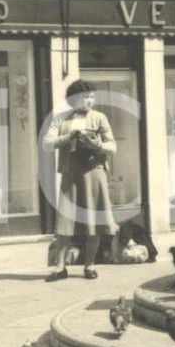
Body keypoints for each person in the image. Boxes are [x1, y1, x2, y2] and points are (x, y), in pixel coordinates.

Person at [43, 79, 118, 281]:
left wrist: (98, 146)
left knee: (93, 220)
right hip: (71, 172)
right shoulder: (61, 118)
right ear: (73, 99)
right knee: (65, 222)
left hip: (94, 171)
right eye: (86, 98)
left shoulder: (99, 117)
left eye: (92, 97)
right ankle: (60, 268)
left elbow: (113, 145)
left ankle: (90, 266)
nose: (90, 101)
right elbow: (47, 144)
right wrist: (70, 138)